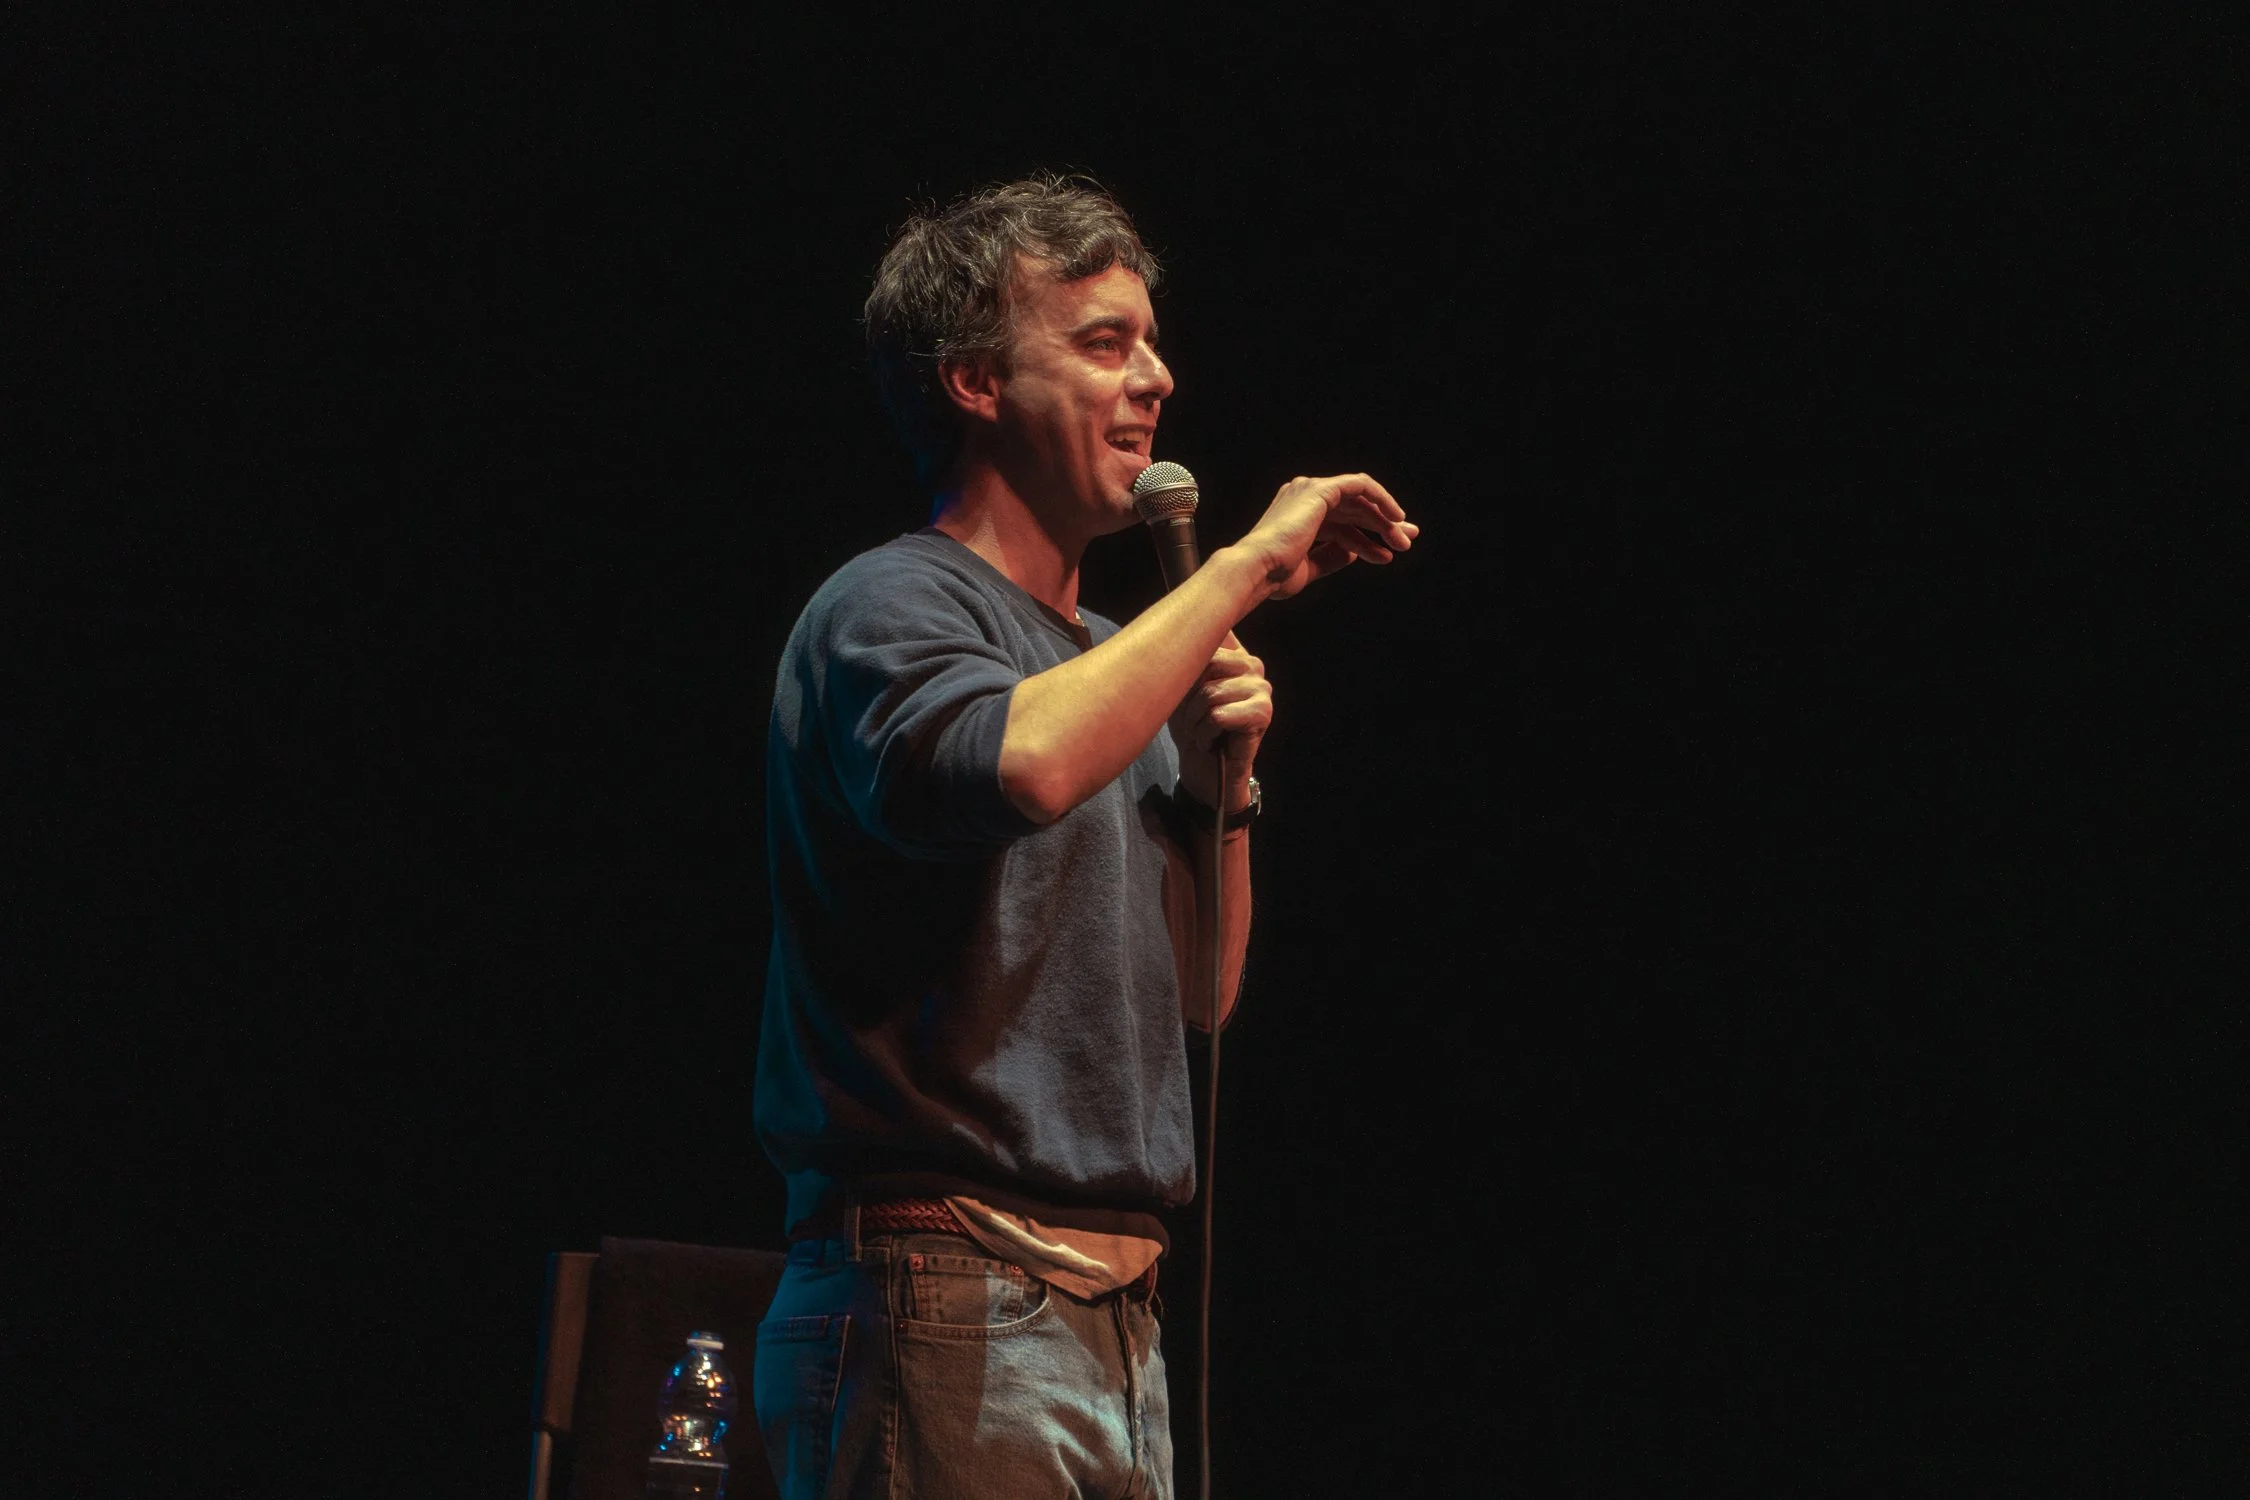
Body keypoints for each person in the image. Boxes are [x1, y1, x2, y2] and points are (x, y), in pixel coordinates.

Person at [750, 173, 1417, 1499]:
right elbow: (1027, 765)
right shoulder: (889, 602)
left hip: (1115, 1322)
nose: (1154, 379)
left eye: (1150, 343)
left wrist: (1224, 791)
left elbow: (1201, 995)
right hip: (946, 1289)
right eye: (1104, 343)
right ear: (974, 382)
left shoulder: (1118, 659)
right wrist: (1239, 569)